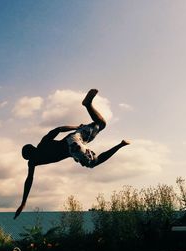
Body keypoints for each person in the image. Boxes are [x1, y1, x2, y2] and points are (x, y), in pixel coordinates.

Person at [14, 89, 130, 219]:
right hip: (76, 137)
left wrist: (24, 202)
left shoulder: (34, 160)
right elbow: (58, 129)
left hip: (73, 147)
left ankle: (120, 144)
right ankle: (88, 105)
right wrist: (76, 128)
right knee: (101, 124)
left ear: (30, 155)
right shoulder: (41, 145)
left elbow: (29, 180)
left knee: (93, 162)